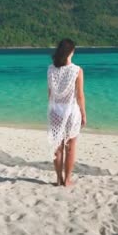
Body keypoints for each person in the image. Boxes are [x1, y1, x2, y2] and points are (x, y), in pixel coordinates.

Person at [47, 39, 86, 187]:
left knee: (58, 147)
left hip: (55, 110)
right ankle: (67, 180)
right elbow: (80, 95)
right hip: (71, 112)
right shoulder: (77, 70)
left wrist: (51, 108)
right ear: (71, 51)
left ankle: (58, 179)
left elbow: (49, 93)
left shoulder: (51, 69)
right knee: (70, 147)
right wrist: (83, 113)